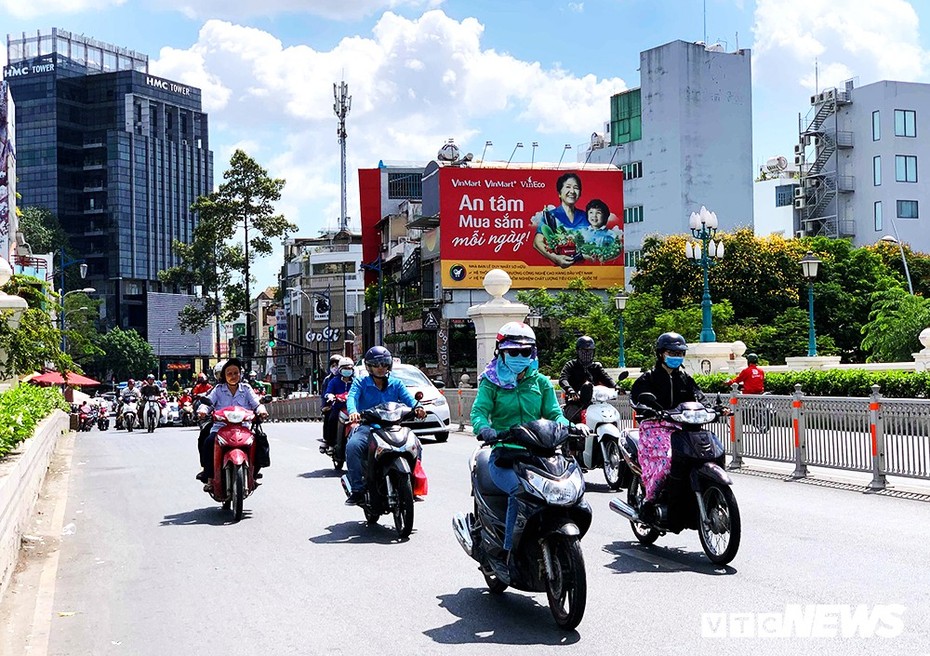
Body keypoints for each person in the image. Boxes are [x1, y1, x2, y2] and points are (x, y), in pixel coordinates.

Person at [470, 322, 575, 571]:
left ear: (533, 354)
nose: (519, 357)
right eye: (513, 352)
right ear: (501, 352)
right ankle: (509, 554)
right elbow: (479, 412)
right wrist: (485, 429)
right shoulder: (490, 382)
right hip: (505, 454)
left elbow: (553, 413)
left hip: (541, 455)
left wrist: (568, 426)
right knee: (520, 492)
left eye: (525, 352)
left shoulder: (540, 382)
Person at [630, 332, 706, 521]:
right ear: (660, 354)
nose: (677, 357)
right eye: (672, 352)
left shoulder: (685, 378)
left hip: (683, 426)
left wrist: (715, 408)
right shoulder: (648, 378)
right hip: (655, 426)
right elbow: (635, 398)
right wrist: (648, 408)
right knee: (667, 461)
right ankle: (649, 501)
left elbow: (698, 396)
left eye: (680, 353)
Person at [344, 346, 425, 505]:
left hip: (393, 427)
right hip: (368, 427)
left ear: (389, 365)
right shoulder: (360, 382)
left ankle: (413, 485)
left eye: (384, 364)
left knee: (416, 445)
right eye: (376, 364)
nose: (380, 368)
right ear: (369, 366)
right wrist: (353, 412)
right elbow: (351, 398)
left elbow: (409, 400)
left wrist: (418, 408)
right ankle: (357, 490)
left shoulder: (396, 383)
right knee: (353, 446)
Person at [195, 358, 268, 482]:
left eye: (236, 373)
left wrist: (262, 410)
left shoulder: (246, 389)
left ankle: (255, 472)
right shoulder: (218, 389)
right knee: (208, 442)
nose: (233, 376)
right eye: (229, 373)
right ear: (224, 375)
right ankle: (208, 473)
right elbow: (208, 403)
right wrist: (202, 411)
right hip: (220, 428)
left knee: (260, 441)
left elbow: (256, 404)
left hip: (244, 428)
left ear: (240, 374)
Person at [533, 172, 589, 268]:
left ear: (580, 194)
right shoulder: (550, 216)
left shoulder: (586, 217)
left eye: (576, 188)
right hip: (558, 275)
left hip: (589, 273)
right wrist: (555, 258)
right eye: (568, 187)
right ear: (559, 193)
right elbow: (537, 242)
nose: (572, 191)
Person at [559, 335, 617, 423]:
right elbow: (563, 379)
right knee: (574, 420)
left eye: (590, 351)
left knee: (611, 415)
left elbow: (606, 378)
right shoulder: (571, 365)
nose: (587, 354)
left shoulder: (596, 367)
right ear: (578, 352)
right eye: (584, 351)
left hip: (595, 403)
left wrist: (616, 386)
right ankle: (575, 435)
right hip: (575, 403)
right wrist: (570, 390)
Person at [321, 357, 355, 453]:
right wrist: (331, 396)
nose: (347, 371)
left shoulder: (355, 382)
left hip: (353, 409)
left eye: (349, 368)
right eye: (345, 368)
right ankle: (331, 443)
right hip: (338, 407)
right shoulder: (334, 381)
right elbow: (327, 392)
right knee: (332, 420)